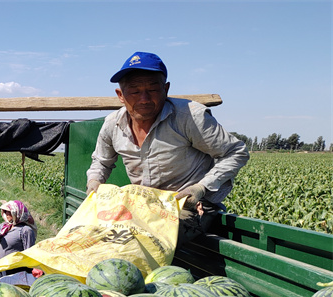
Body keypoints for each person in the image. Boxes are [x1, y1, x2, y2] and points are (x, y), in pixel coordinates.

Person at [85, 51, 249, 244]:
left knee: (141, 240)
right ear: (120, 95)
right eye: (135, 92)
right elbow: (101, 162)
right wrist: (94, 181)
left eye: (153, 90)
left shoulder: (189, 117)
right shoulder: (112, 125)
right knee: (94, 234)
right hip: (145, 206)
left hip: (189, 209)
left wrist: (201, 187)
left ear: (166, 89)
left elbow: (236, 152)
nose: (144, 99)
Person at [0, 200, 37, 273]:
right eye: (5, 211)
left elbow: (29, 254)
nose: (6, 213)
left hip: (14, 272)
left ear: (17, 213)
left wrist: (30, 271)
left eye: (9, 211)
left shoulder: (25, 230)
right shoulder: (4, 226)